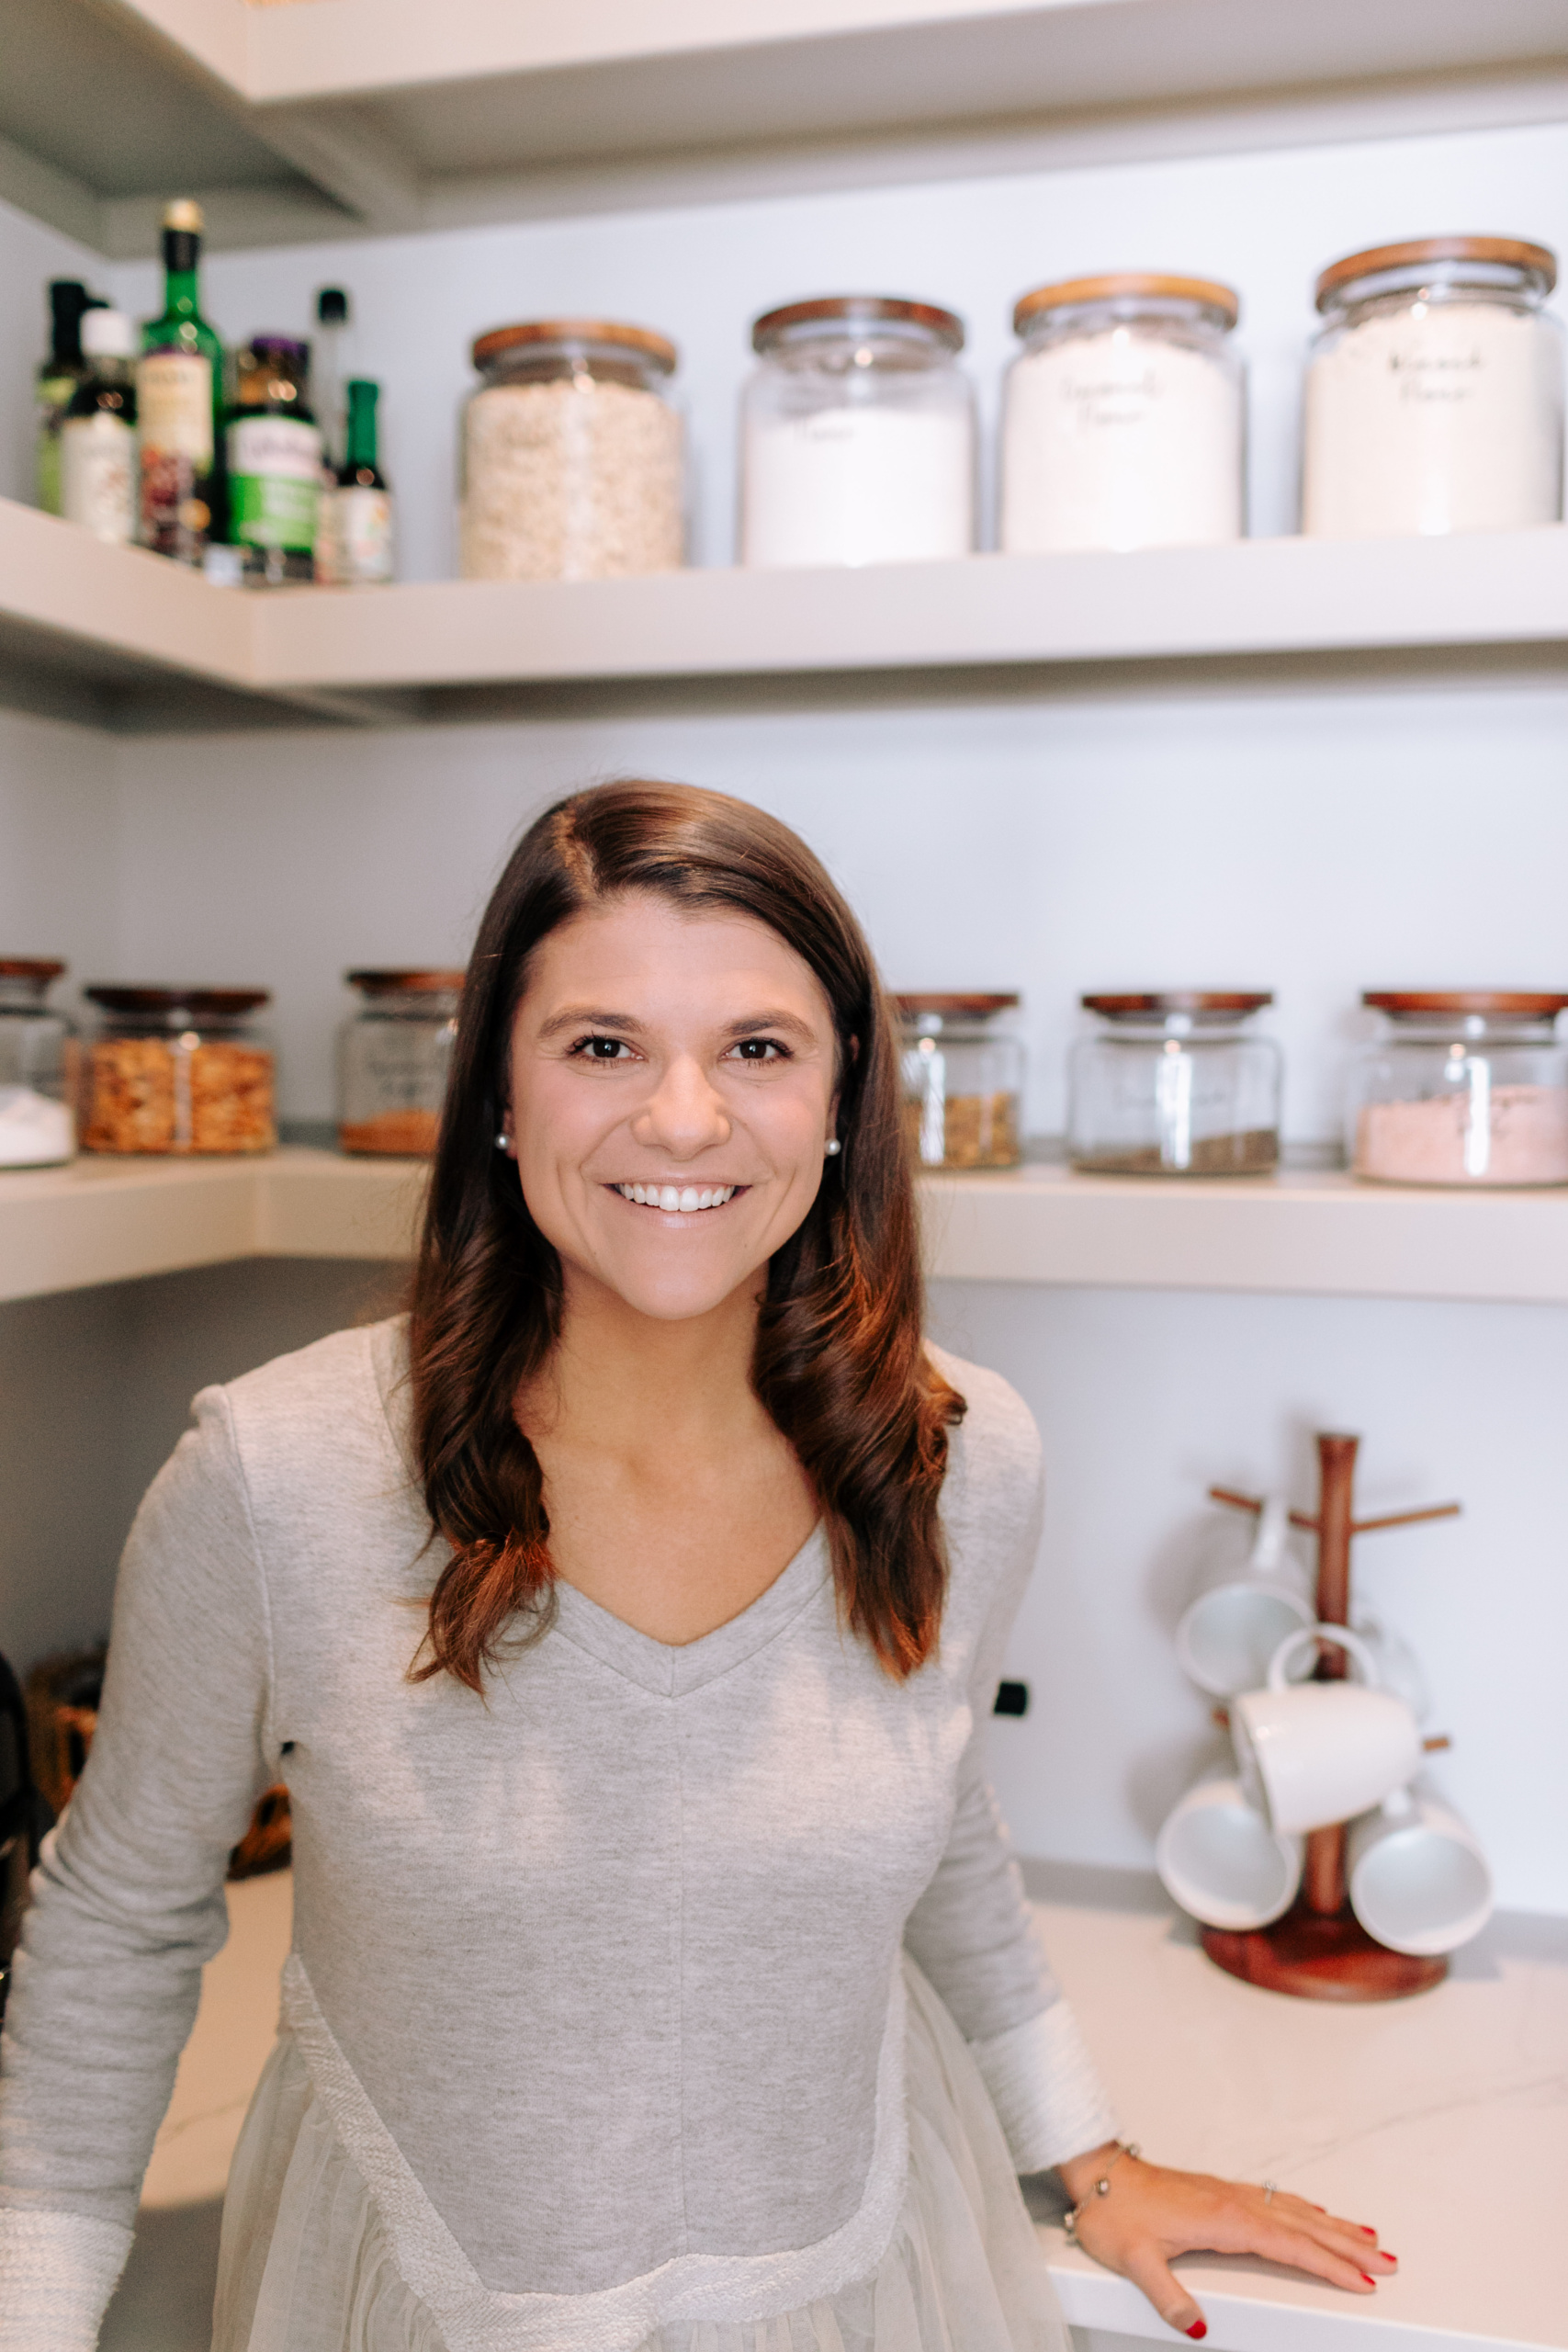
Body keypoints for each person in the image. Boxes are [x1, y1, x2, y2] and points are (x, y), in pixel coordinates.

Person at [0, 784, 1393, 2352]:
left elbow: (936, 1818)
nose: (682, 1118)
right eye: (602, 1045)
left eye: (757, 1048)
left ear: (843, 1094)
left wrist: (1087, 2149)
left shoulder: (960, 1459)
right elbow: (119, 1920)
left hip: (861, 2278)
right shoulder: (276, 1477)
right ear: (500, 1095)